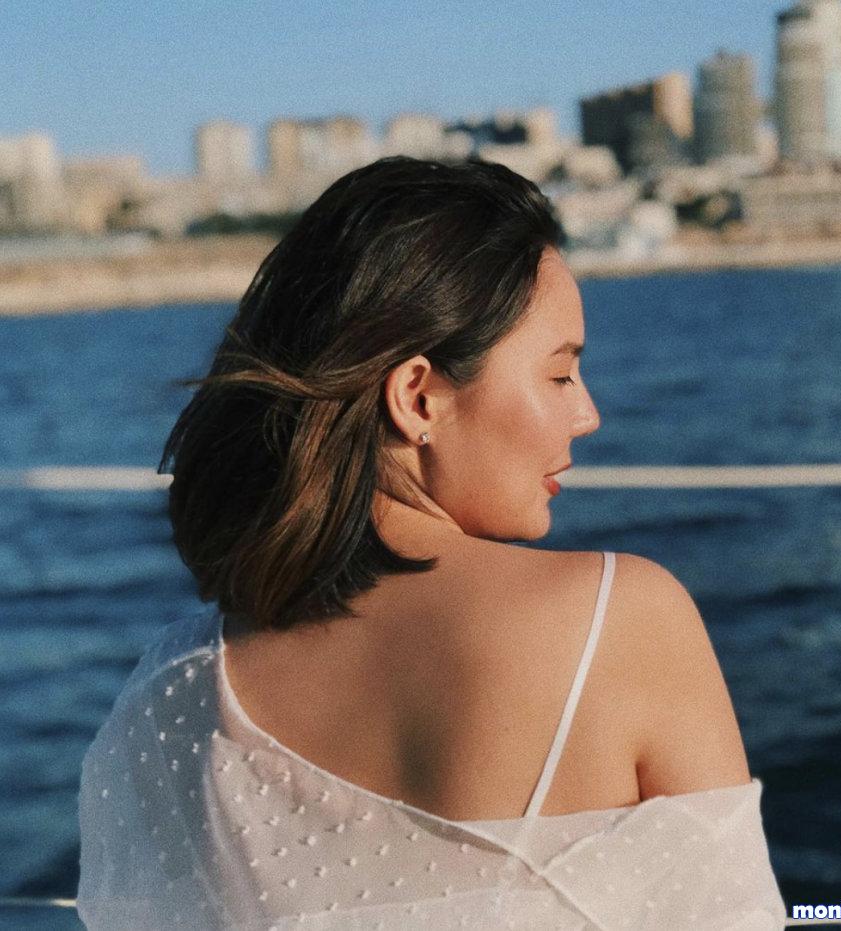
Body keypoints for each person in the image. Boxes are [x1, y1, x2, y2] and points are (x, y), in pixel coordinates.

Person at [77, 157, 786, 929]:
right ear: (418, 397)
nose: (588, 415)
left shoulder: (172, 690)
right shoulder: (621, 619)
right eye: (560, 376)